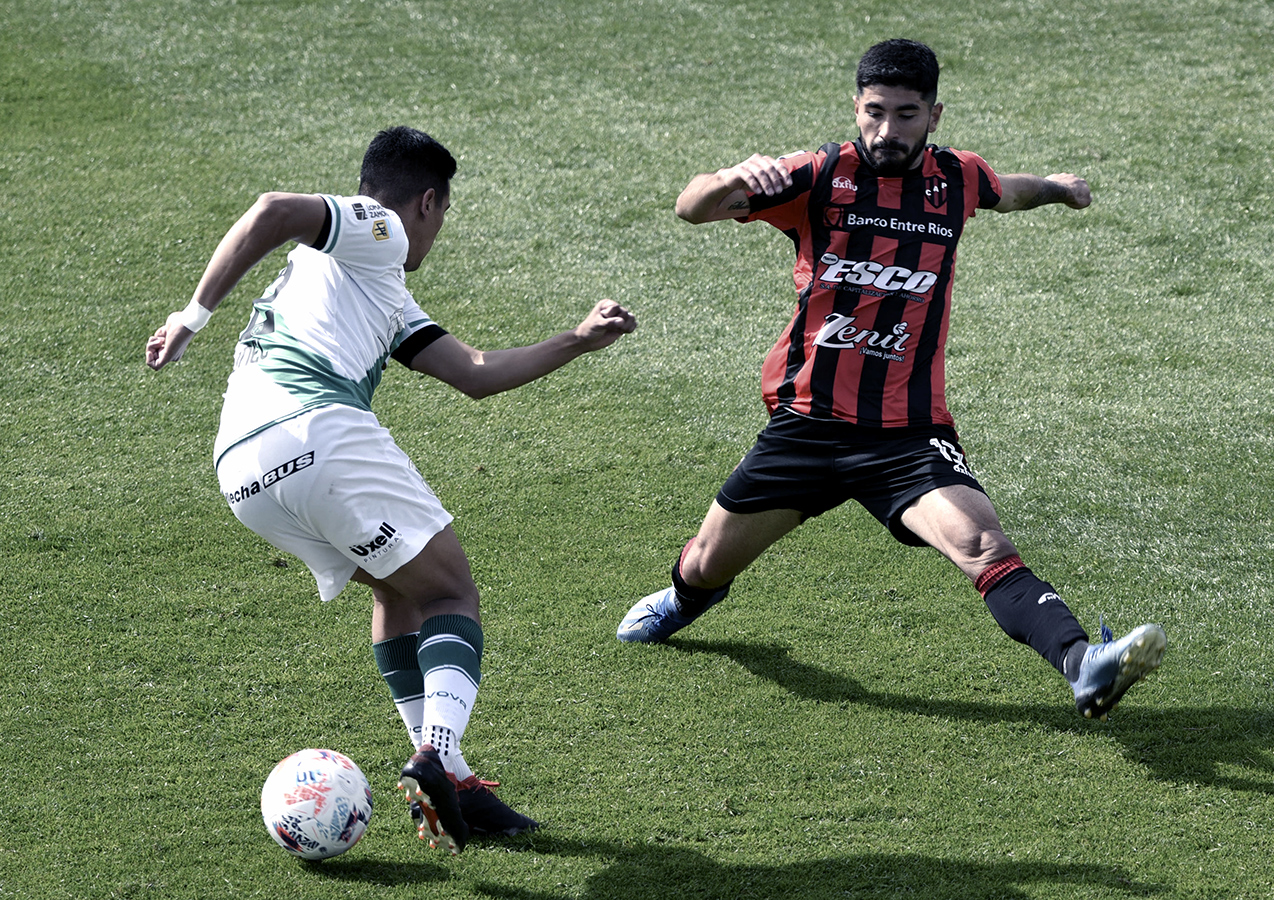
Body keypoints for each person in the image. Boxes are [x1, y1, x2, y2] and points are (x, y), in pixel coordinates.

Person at [616, 39, 1165, 720]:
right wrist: (729, 174)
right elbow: (691, 207)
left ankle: (1084, 664)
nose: (887, 130)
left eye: (906, 115)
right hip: (806, 426)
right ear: (857, 106)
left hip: (906, 434)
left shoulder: (958, 179)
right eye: (875, 112)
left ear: (933, 115)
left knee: (983, 545)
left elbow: (1009, 191)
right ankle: (681, 603)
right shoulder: (818, 175)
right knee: (705, 564)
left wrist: (1057, 188)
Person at [146, 126, 637, 855]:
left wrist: (577, 340)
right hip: (313, 426)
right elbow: (274, 208)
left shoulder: (371, 283)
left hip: (242, 468)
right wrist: (191, 318)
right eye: (443, 214)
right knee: (450, 591)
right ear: (427, 202)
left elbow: (472, 373)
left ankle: (451, 781)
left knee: (396, 589)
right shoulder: (380, 228)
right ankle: (437, 753)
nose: (436, 232)